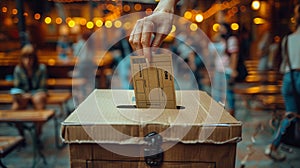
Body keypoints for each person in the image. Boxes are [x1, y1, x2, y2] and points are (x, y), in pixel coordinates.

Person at [265, 4, 300, 161]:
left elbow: (282, 64)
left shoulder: (287, 39)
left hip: (288, 78)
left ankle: (273, 146)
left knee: (290, 115)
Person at [11, 44, 47, 137]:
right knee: (15, 108)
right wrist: (21, 94)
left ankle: (37, 134)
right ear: (21, 59)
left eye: (30, 58)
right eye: (25, 58)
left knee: (38, 100)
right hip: (24, 95)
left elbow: (42, 87)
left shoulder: (41, 68)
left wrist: (30, 95)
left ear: (34, 59)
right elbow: (17, 87)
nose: (28, 61)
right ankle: (21, 135)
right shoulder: (18, 69)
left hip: (37, 93)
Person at [209, 23, 239, 116]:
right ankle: (219, 111)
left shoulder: (231, 40)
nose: (221, 30)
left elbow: (234, 55)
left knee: (228, 92)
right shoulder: (219, 40)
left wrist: (233, 69)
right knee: (218, 91)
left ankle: (231, 112)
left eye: (222, 28)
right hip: (218, 68)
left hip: (227, 69)